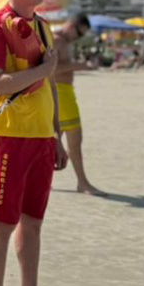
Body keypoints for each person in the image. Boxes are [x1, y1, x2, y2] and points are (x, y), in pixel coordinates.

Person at [0, 0, 68, 286]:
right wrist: (42, 72)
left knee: (33, 222)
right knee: (2, 222)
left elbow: (52, 84)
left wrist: (57, 136)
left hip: (42, 137)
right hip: (9, 137)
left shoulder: (43, 27)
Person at [53, 13, 105, 196]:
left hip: (64, 92)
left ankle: (39, 180)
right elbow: (51, 69)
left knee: (53, 140)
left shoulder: (65, 42)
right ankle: (82, 183)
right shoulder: (57, 40)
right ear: (70, 25)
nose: (78, 37)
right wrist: (79, 66)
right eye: (78, 33)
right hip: (60, 93)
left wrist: (81, 66)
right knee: (75, 140)